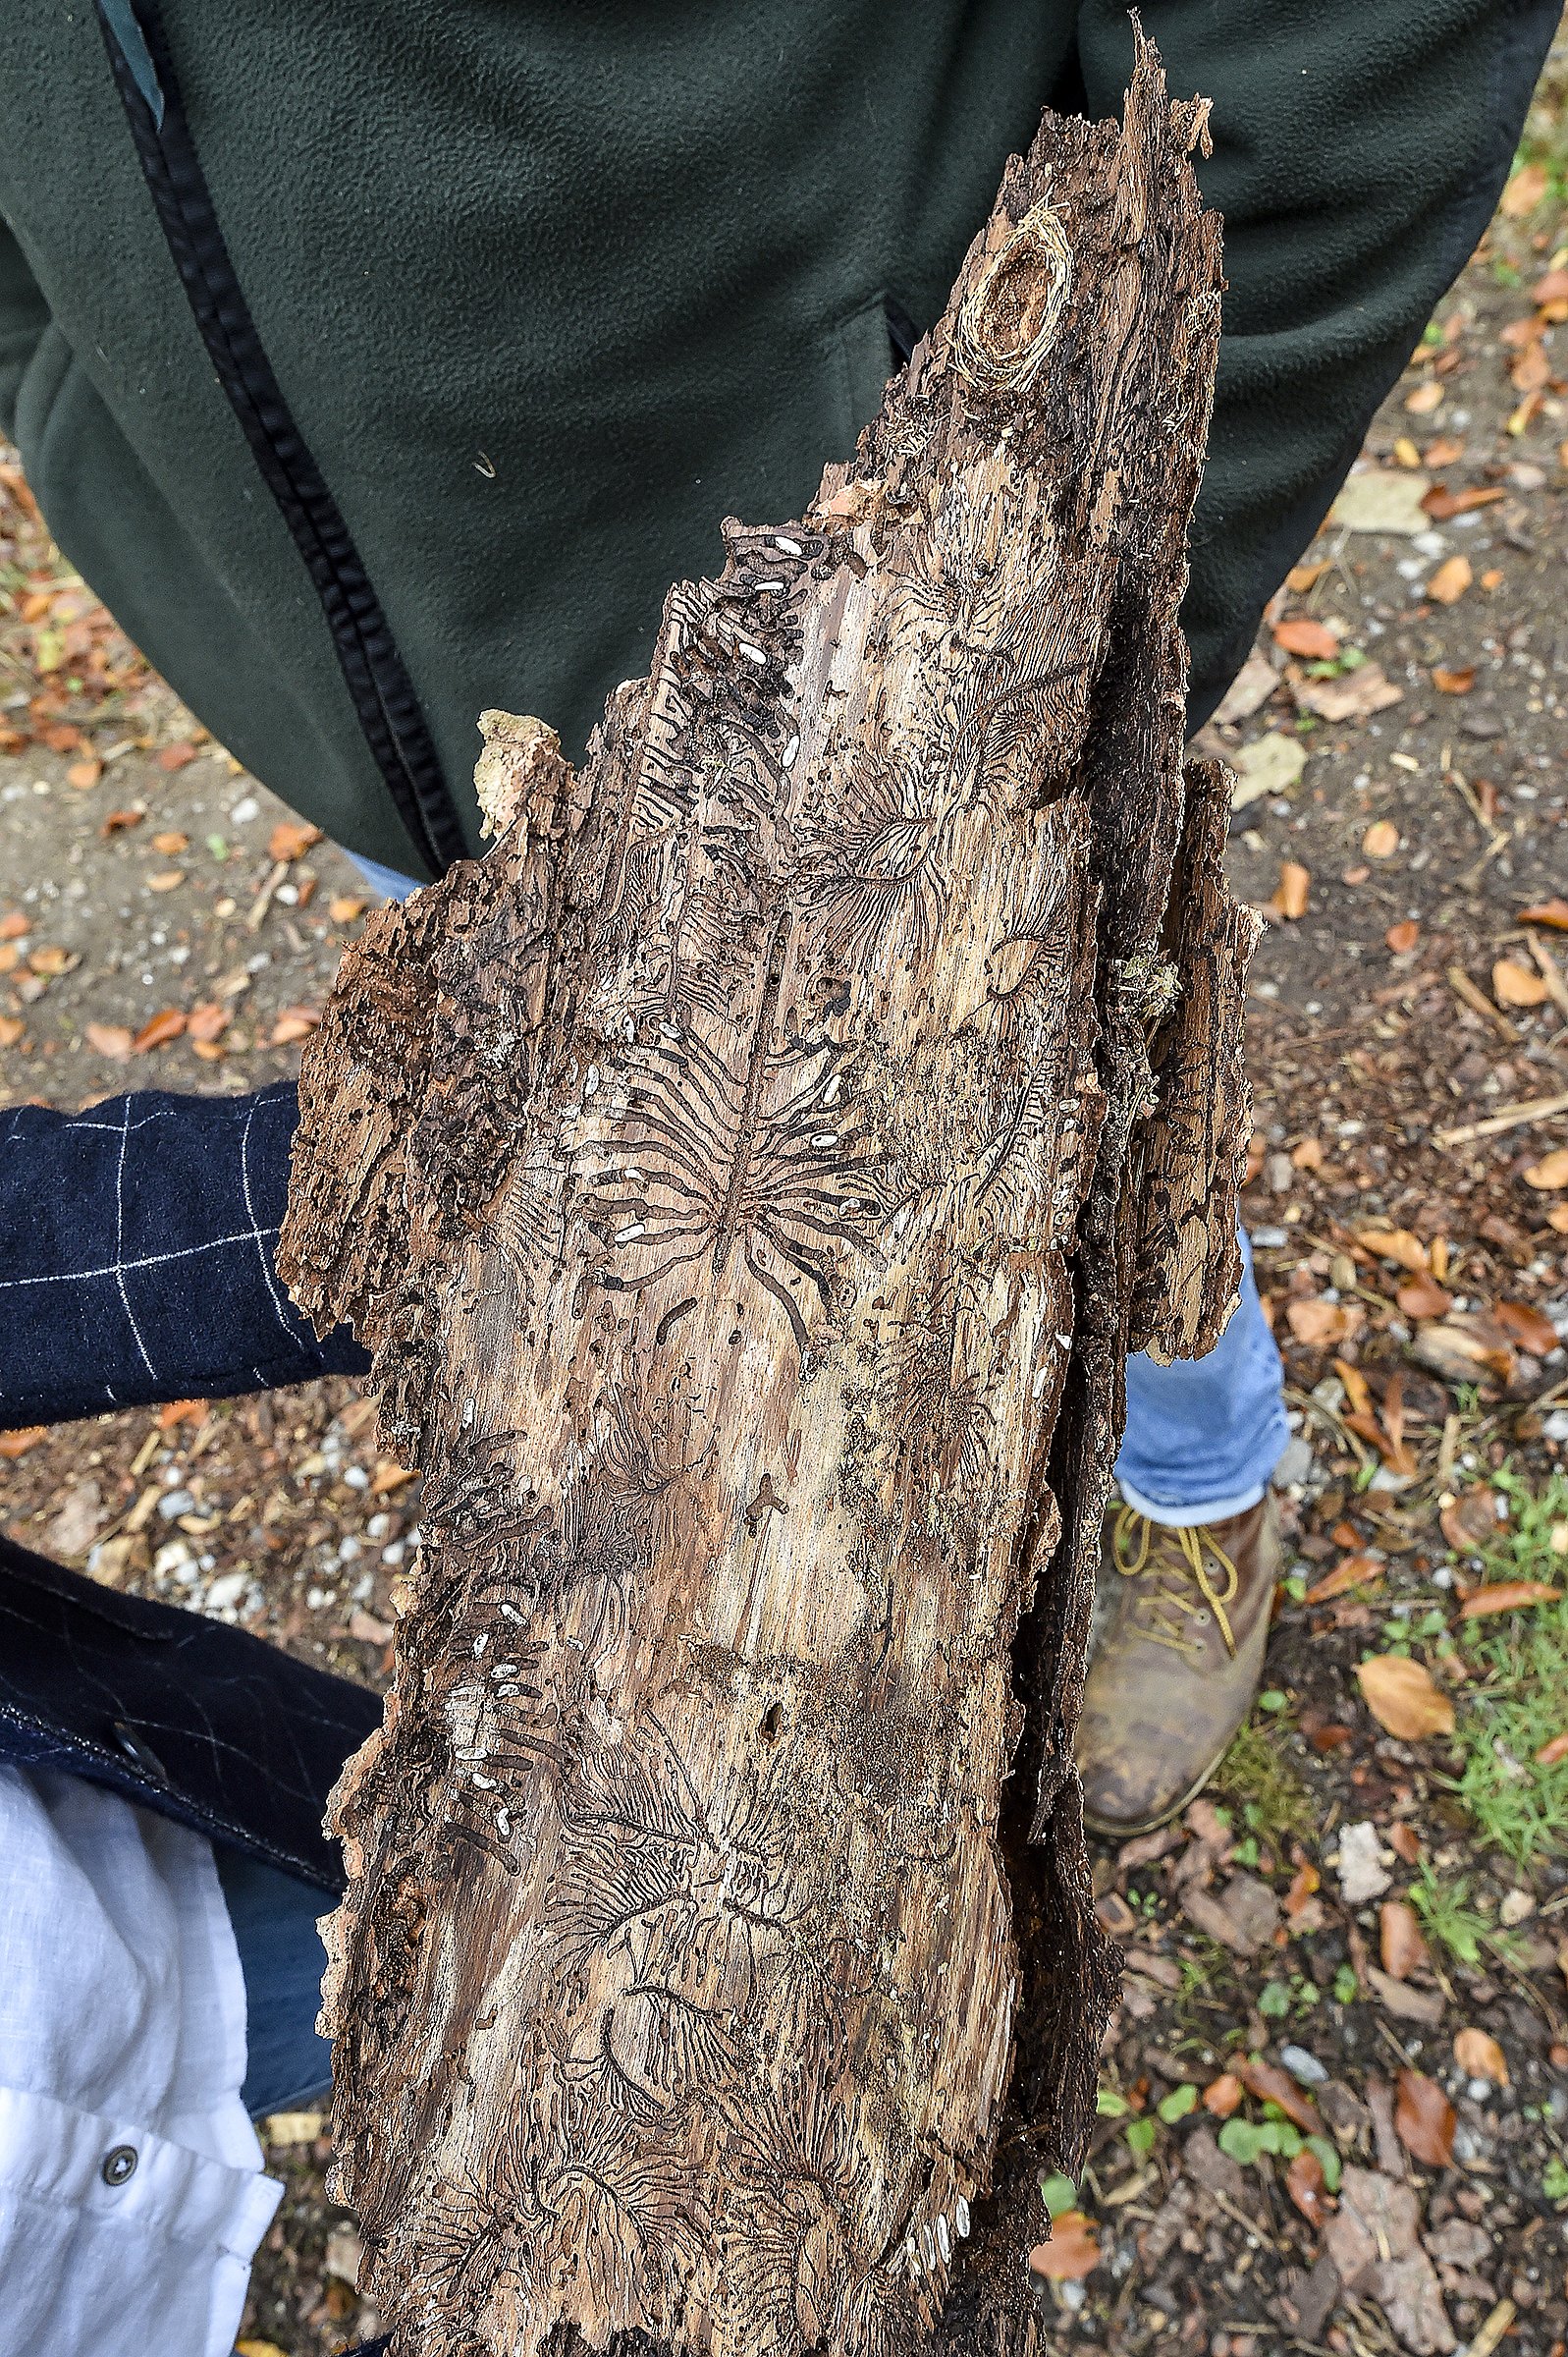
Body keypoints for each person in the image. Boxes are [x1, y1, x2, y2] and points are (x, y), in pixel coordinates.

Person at [0, 5, 1558, 2344]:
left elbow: (1356, 47)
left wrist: (1050, 649)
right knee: (691, 1278)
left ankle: (1193, 1460)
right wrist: (80, 414)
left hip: (895, 677)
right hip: (413, 737)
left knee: (1064, 1142)